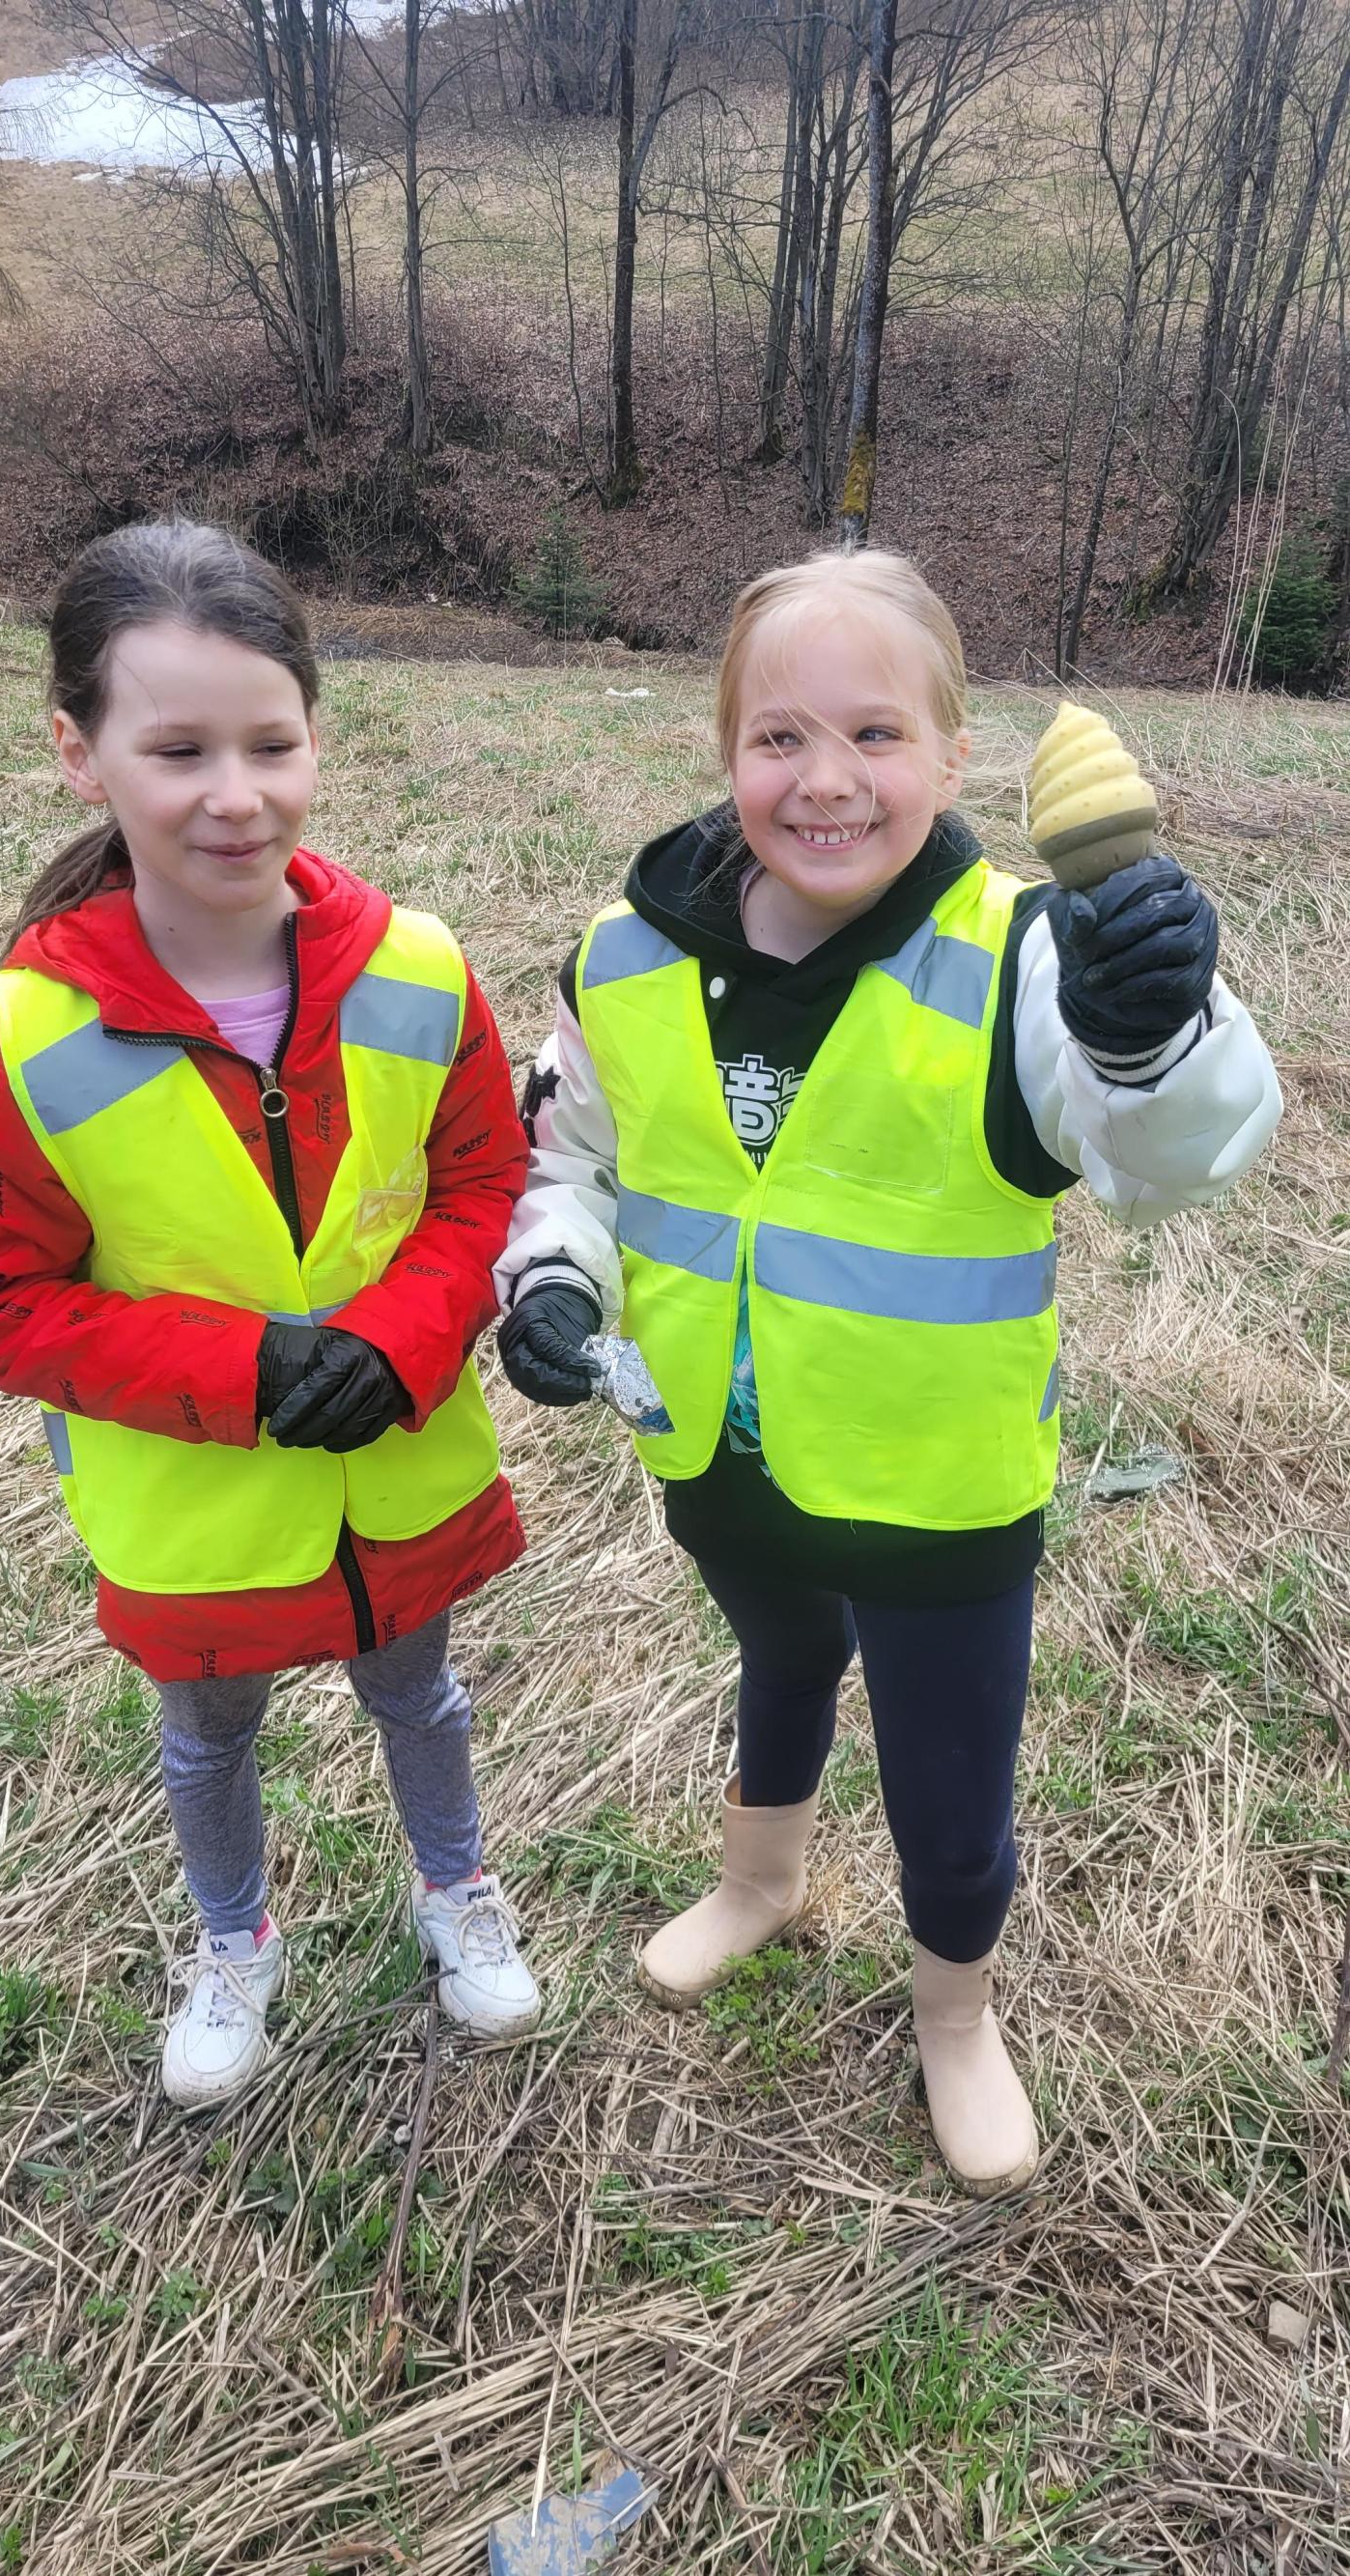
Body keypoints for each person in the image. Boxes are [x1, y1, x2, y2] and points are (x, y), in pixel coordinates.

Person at [493, 549, 1280, 2196]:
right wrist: (552, 1274)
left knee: (946, 1775)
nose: (828, 780)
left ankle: (955, 2012)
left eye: (876, 734)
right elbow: (573, 1158)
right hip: (718, 1451)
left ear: (950, 750)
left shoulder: (1026, 959)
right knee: (782, 1657)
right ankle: (761, 1880)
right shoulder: (625, 953)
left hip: (939, 1483)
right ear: (727, 750)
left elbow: (1170, 1159)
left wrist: (1155, 1030)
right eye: (779, 736)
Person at [0, 520, 541, 2109]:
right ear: (81, 754)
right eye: (178, 750)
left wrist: (402, 1339)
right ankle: (233, 1937)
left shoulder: (418, 968)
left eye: (271, 743)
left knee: (422, 1695)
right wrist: (243, 1371)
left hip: (400, 1469)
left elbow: (486, 1184)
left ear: (316, 735)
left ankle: (456, 1887)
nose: (235, 794)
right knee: (208, 1739)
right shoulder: (26, 1030)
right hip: (195, 1509)